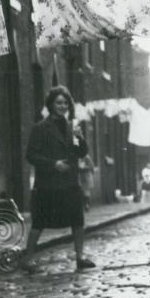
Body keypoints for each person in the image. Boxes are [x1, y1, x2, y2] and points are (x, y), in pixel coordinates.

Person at [22, 85, 95, 273]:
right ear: (51, 104)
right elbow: (31, 155)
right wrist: (53, 164)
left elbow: (81, 152)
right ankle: (28, 259)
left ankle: (80, 257)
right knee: (39, 223)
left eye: (65, 103)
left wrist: (80, 138)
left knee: (77, 221)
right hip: (48, 184)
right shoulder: (40, 128)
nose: (62, 106)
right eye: (58, 102)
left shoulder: (72, 127)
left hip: (70, 183)